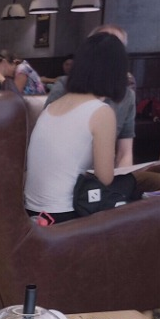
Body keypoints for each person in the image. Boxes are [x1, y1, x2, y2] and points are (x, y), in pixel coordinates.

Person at [45, 24, 160, 190]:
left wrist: (122, 184)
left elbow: (124, 152)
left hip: (105, 175)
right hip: (73, 177)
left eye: (114, 47)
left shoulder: (126, 96)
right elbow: (51, 144)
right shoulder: (66, 87)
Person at [24, 32, 136, 223]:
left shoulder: (51, 107)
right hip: (66, 212)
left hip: (32, 211)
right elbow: (105, 177)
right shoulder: (101, 112)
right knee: (131, 183)